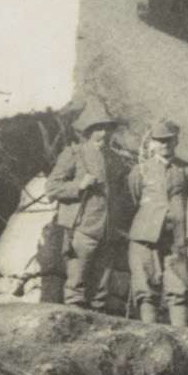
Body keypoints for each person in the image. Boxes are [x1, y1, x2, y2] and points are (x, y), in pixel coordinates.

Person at [45, 101, 132, 315]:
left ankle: (97, 327)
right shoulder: (75, 153)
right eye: (99, 128)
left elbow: (123, 194)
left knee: (101, 290)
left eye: (108, 128)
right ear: (89, 131)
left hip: (108, 230)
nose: (104, 133)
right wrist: (79, 186)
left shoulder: (116, 159)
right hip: (82, 227)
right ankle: (74, 322)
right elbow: (52, 187)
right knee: (76, 285)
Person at [124, 119, 188, 327]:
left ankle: (180, 333)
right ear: (152, 143)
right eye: (159, 140)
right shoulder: (141, 170)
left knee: (179, 285)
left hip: (177, 237)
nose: (164, 144)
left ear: (176, 141)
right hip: (145, 235)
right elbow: (133, 200)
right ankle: (149, 333)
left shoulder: (187, 170)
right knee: (145, 287)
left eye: (169, 140)